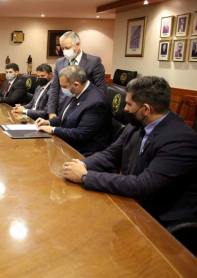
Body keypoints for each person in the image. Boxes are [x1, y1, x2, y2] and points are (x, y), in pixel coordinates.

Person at [61, 76, 197, 224]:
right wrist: (82, 165)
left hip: (159, 218)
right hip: (131, 201)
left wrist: (86, 177)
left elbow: (143, 185)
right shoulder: (136, 124)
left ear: (145, 109)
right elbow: (111, 154)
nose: (124, 109)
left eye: (128, 104)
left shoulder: (180, 140)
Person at [37, 66, 111, 157]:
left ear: (76, 84)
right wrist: (48, 122)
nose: (63, 90)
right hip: (67, 142)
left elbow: (81, 134)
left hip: (83, 152)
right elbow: (65, 117)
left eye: (64, 87)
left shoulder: (96, 102)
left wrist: (53, 129)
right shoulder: (76, 91)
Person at [47, 31, 107, 119]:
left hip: (83, 110)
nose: (64, 51)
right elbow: (54, 88)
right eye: (62, 48)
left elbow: (100, 90)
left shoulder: (94, 62)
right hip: (62, 109)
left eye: (67, 48)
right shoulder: (59, 63)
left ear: (78, 44)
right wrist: (51, 111)